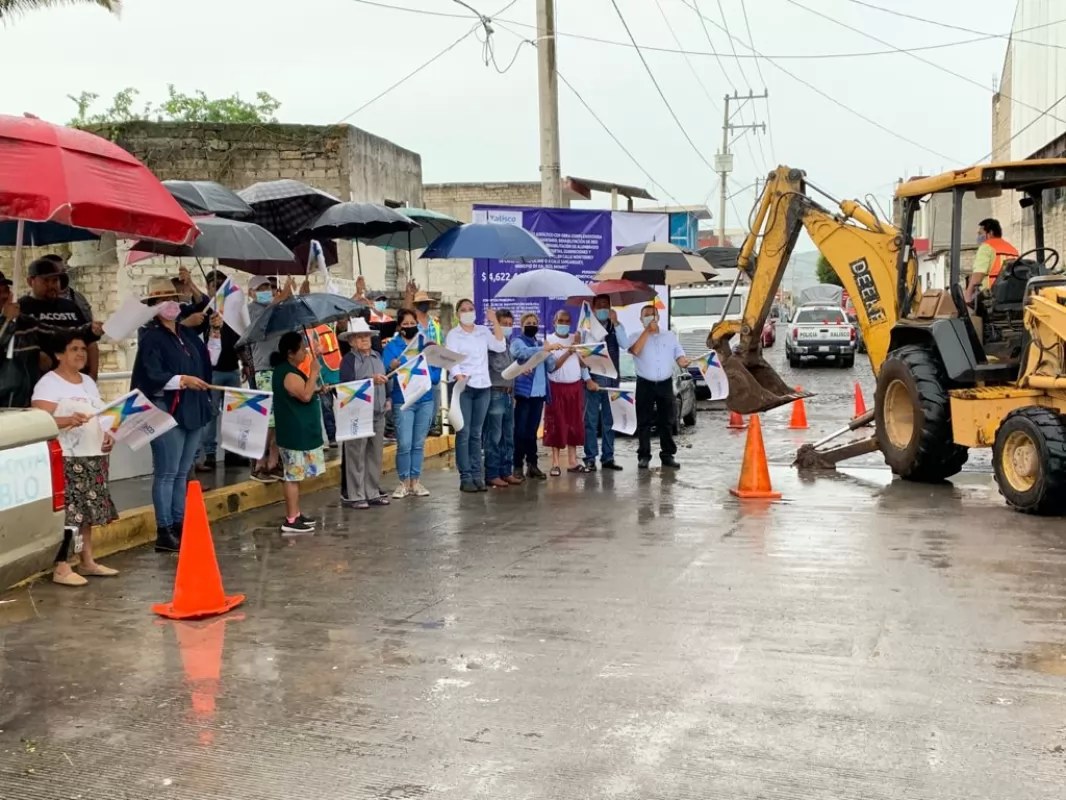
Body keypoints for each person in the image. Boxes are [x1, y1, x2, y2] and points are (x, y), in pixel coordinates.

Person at [130, 276, 212, 552]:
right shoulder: (150, 336)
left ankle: (179, 522)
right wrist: (181, 380)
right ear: (153, 305)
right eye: (163, 300)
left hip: (192, 406)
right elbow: (150, 374)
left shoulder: (186, 334)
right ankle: (164, 528)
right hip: (165, 406)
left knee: (181, 471)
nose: (171, 304)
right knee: (166, 471)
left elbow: (204, 361)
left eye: (174, 299)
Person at [31, 332, 119, 586]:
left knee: (87, 513)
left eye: (82, 349)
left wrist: (109, 433)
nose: (81, 353)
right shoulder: (49, 383)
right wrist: (66, 420)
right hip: (67, 458)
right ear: (59, 354)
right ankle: (61, 566)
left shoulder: (87, 383)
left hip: (93, 456)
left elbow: (101, 415)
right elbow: (38, 420)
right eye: (73, 349)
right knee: (69, 514)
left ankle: (87, 560)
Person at [445, 299, 506, 493]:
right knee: (464, 432)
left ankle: (477, 475)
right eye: (463, 310)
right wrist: (458, 375)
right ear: (457, 314)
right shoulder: (454, 334)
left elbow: (499, 346)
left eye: (471, 309)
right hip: (464, 386)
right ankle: (466, 476)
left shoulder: (482, 331)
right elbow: (451, 358)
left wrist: (494, 320)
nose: (468, 312)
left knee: (476, 433)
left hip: (483, 385)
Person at [271, 331, 325, 534]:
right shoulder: (286, 373)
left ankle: (296, 512)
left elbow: (307, 390)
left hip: (300, 429)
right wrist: (313, 373)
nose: (304, 352)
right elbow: (304, 395)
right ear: (290, 353)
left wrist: (318, 387)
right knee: (292, 476)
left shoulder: (292, 370)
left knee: (297, 475)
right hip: (293, 431)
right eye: (301, 349)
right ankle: (291, 518)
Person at [383, 308, 439, 498]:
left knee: (418, 443)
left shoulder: (426, 344)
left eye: (411, 323)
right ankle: (403, 482)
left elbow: (437, 371)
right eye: (405, 324)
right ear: (399, 326)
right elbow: (385, 369)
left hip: (425, 399)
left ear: (417, 323)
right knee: (404, 443)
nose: (409, 326)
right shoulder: (393, 346)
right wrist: (392, 366)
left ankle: (415, 481)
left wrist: (427, 377)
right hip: (403, 400)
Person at [628, 303, 690, 470]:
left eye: (652, 314)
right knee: (644, 421)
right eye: (646, 315)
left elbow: (679, 356)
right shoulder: (635, 335)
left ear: (658, 317)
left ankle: (667, 455)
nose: (650, 317)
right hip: (644, 382)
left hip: (665, 382)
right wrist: (647, 331)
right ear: (641, 319)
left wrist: (684, 361)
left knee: (667, 420)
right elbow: (635, 350)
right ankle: (644, 455)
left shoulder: (669, 336)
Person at [19, 257, 102, 379]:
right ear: (30, 281)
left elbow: (90, 342)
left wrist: (92, 374)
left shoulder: (70, 306)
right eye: (46, 281)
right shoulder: (22, 308)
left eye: (55, 280)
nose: (52, 285)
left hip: (77, 379)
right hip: (42, 381)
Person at [197, 270, 247, 471]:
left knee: (233, 413)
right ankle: (209, 454)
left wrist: (246, 364)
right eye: (212, 287)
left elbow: (240, 340)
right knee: (210, 415)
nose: (216, 290)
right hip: (213, 373)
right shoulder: (205, 311)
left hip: (232, 368)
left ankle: (232, 453)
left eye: (220, 286)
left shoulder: (233, 312)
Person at [338, 318, 389, 509]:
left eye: (366, 336)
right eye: (359, 337)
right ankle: (356, 494)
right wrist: (370, 380)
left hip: (378, 412)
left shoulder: (377, 355)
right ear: (351, 341)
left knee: (374, 454)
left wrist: (388, 398)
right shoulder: (349, 360)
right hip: (357, 414)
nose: (364, 339)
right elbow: (347, 386)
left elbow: (385, 380)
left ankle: (372, 492)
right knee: (356, 455)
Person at [247, 275, 291, 482]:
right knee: (267, 420)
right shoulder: (253, 310)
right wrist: (279, 300)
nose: (266, 290)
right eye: (260, 288)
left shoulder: (277, 310)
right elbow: (260, 324)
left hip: (280, 367)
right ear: (251, 293)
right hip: (263, 370)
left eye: (268, 287)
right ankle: (259, 461)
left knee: (278, 421)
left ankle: (273, 461)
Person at [582, 296, 628, 472]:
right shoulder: (587, 328)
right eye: (599, 306)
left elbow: (625, 345)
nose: (603, 309)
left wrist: (616, 323)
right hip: (594, 381)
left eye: (606, 306)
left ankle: (608, 457)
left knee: (610, 421)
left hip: (612, 381)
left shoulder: (616, 327)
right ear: (593, 309)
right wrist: (587, 379)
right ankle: (590, 458)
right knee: (591, 422)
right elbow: (582, 355)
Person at [510, 312, 555, 480]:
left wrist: (549, 352)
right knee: (520, 431)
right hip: (524, 393)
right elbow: (521, 354)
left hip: (539, 394)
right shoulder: (517, 342)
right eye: (528, 322)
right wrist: (543, 349)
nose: (531, 325)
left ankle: (532, 465)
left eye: (534, 322)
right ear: (522, 325)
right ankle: (517, 465)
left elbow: (550, 367)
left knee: (531, 432)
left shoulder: (541, 343)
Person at [544, 308, 588, 475]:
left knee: (574, 423)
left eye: (566, 321)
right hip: (556, 387)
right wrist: (569, 351)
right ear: (554, 322)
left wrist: (577, 347)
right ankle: (555, 463)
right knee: (556, 423)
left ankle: (572, 461)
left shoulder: (575, 338)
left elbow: (584, 365)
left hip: (575, 386)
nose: (563, 324)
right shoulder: (548, 341)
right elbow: (553, 366)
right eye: (560, 321)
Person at [483, 308, 521, 488]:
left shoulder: (508, 344)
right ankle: (492, 473)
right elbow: (499, 368)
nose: (507, 327)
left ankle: (506, 471)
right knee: (494, 436)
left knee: (508, 435)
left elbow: (511, 369)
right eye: (503, 324)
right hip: (495, 392)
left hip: (508, 393)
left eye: (509, 324)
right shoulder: (492, 344)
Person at [966, 217, 1019, 305]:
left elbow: (978, 274)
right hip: (1012, 296)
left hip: (992, 297)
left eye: (980, 233)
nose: (978, 237)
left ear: (990, 233)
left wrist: (967, 295)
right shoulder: (1013, 249)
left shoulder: (986, 247)